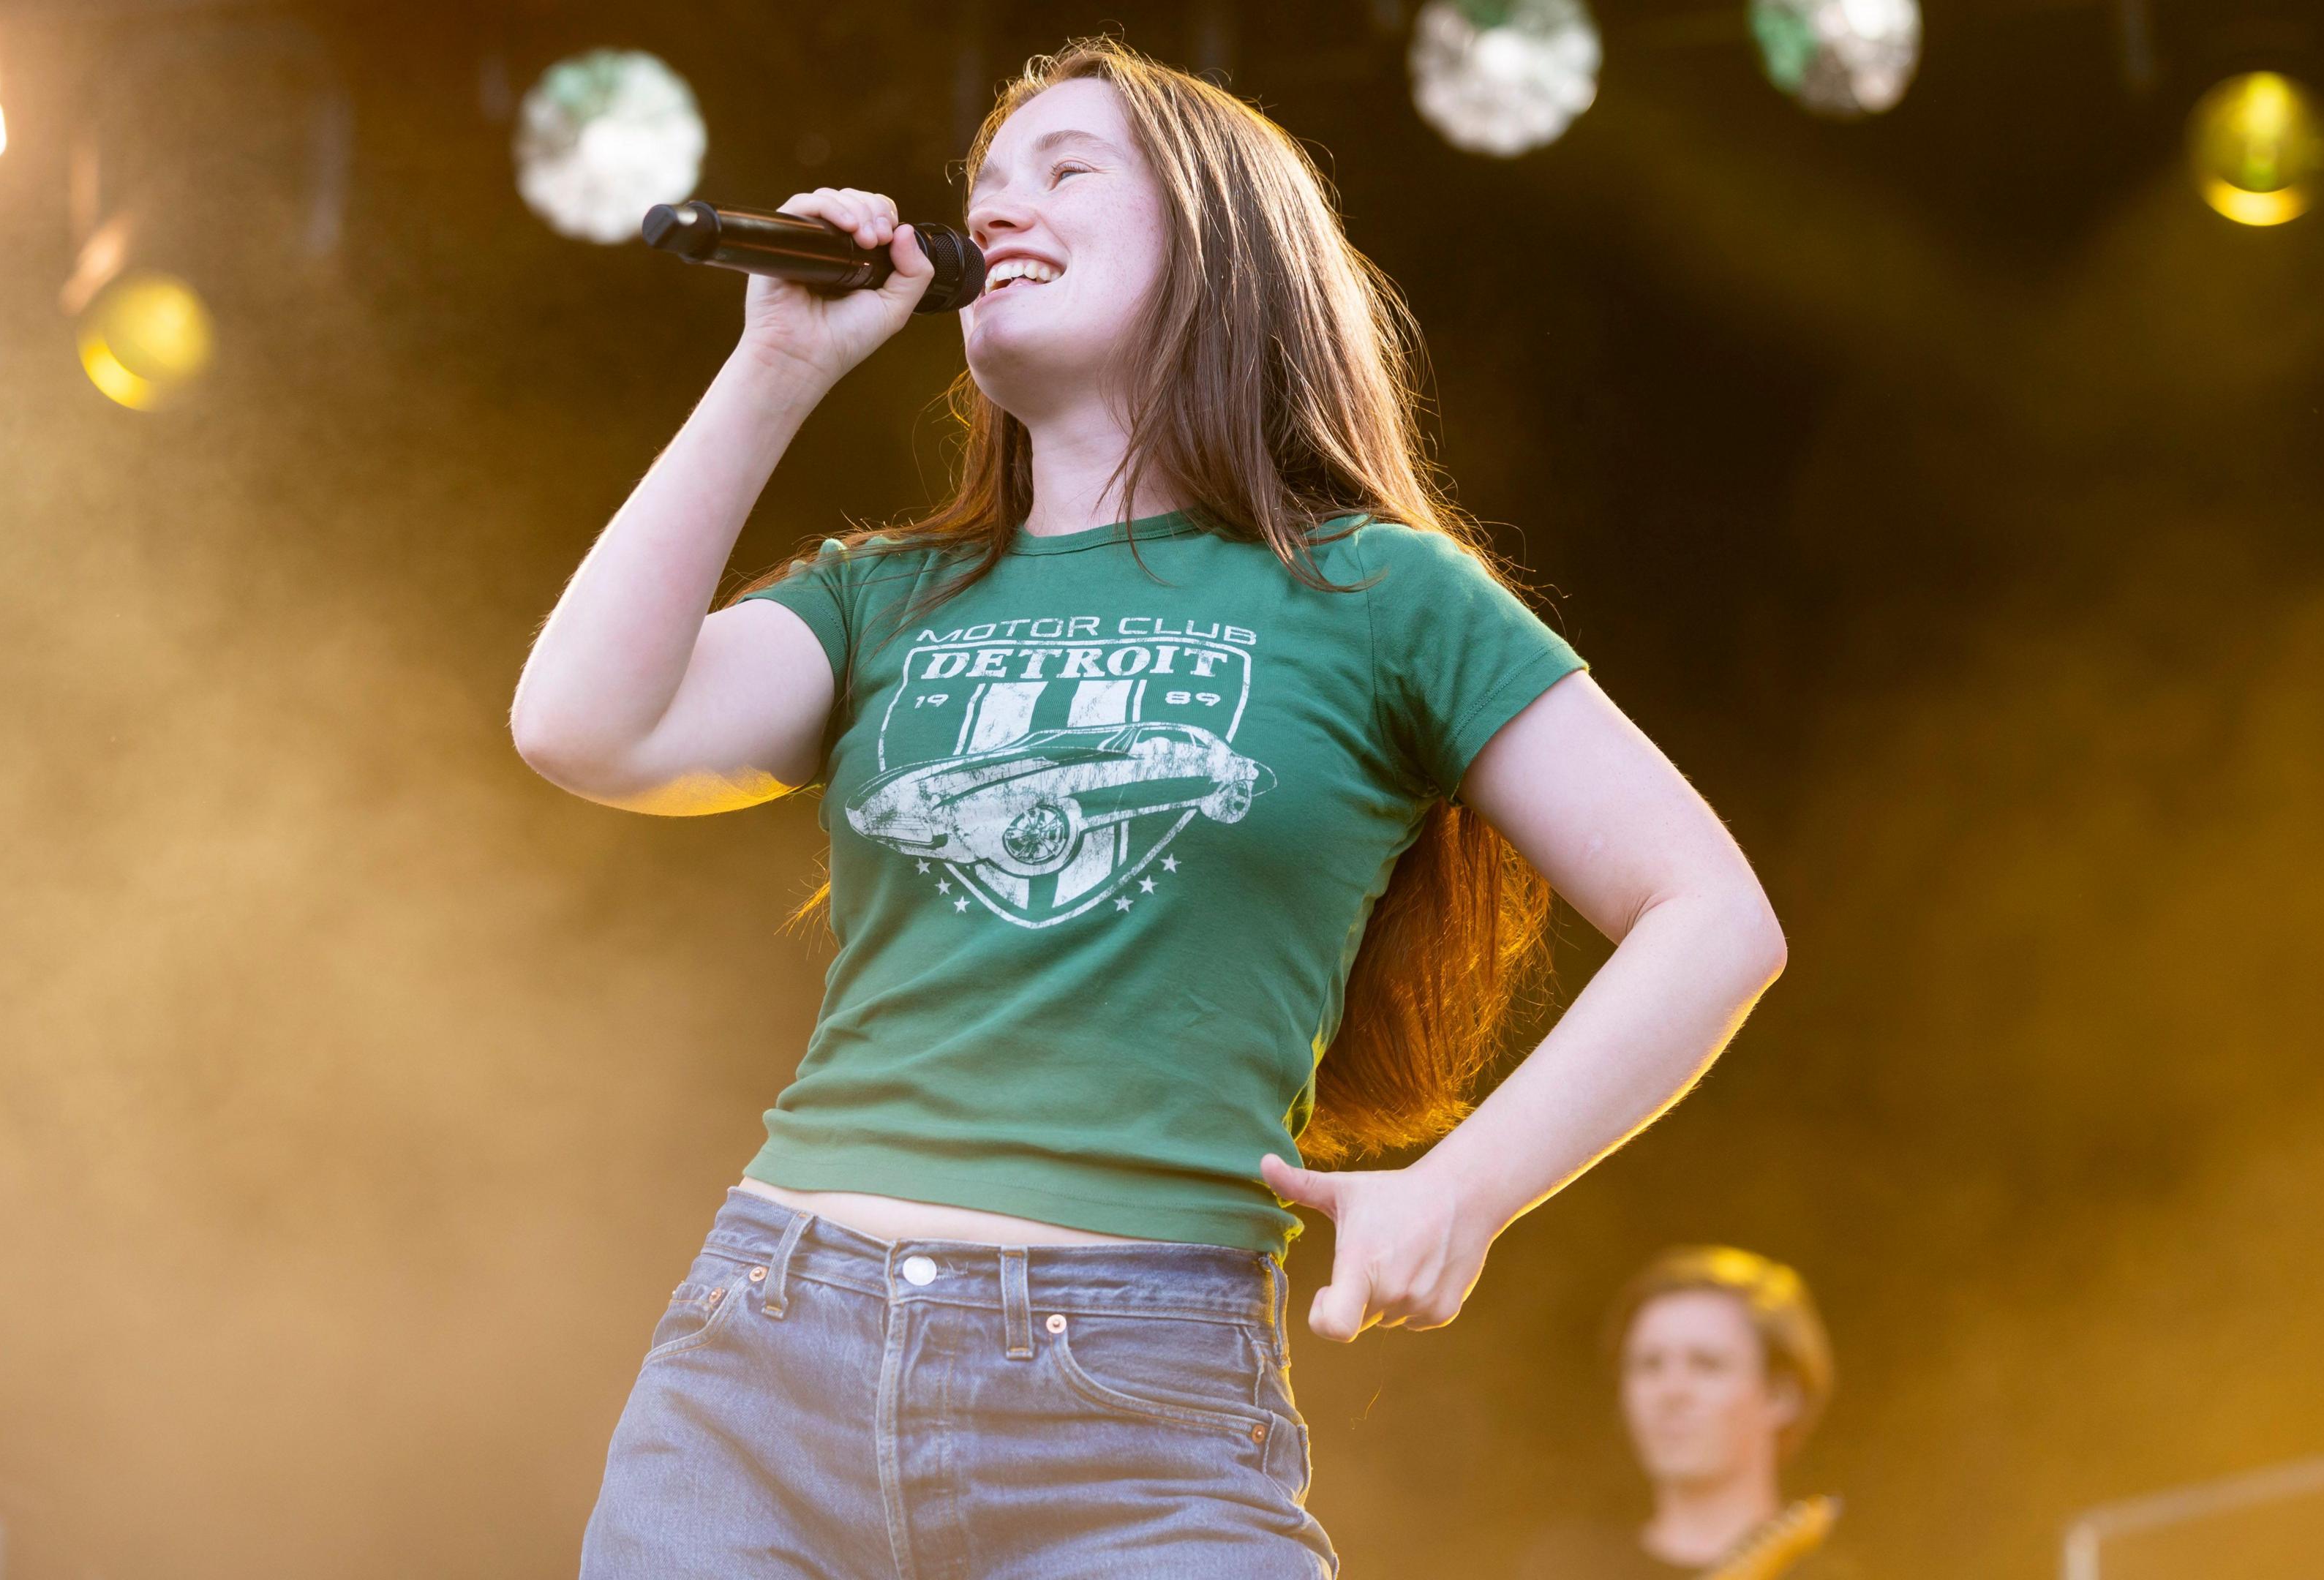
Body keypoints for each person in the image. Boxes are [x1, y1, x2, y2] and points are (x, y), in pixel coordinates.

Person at [510, 36, 1786, 1580]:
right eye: (985, 187)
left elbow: (1711, 917)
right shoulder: (885, 598)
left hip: (1136, 1408)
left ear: (1221, 248)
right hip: (770, 1351)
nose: (1005, 209)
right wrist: (775, 364)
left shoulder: (1376, 592)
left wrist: (1468, 1185)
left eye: (1067, 171)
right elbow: (585, 726)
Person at [1518, 1248, 1849, 1580]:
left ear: (1780, 1396)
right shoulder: (1568, 1567)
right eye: (1649, 1365)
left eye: (1706, 1364)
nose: (1671, 1391)